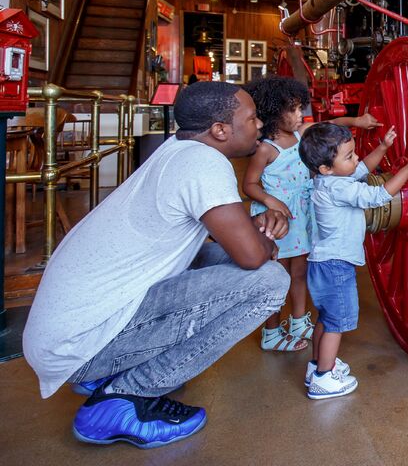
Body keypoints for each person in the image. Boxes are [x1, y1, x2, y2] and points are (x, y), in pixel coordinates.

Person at [22, 82, 292, 449]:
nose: (260, 124)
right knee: (269, 282)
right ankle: (125, 396)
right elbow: (254, 257)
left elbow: (243, 247)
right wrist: (264, 233)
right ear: (220, 130)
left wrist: (257, 236)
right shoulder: (204, 163)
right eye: (251, 117)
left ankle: (114, 370)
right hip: (77, 346)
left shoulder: (178, 149)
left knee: (228, 258)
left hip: (66, 333)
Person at [242, 76, 380, 352]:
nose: (299, 114)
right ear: (272, 113)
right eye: (291, 110)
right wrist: (270, 201)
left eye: (298, 108)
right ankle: (271, 332)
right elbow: (249, 184)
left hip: (303, 217)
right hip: (277, 221)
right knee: (276, 279)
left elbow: (330, 128)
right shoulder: (266, 149)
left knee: (300, 271)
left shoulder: (301, 134)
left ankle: (297, 321)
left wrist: (357, 121)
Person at [298, 122, 408, 399]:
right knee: (336, 323)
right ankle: (324, 378)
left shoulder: (328, 181)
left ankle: (316, 367)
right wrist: (406, 170)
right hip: (337, 265)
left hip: (320, 263)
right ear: (326, 168)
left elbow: (362, 169)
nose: (356, 158)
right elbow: (378, 196)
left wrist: (382, 147)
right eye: (349, 155)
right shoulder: (340, 189)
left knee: (326, 317)